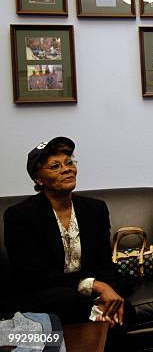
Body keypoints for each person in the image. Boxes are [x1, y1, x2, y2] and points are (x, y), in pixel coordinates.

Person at [3, 137, 134, 351]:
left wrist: (107, 292)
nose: (67, 169)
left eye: (69, 163)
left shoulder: (95, 209)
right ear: (39, 179)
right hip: (45, 295)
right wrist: (95, 286)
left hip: (86, 298)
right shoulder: (20, 216)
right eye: (56, 166)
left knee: (124, 310)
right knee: (69, 301)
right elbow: (33, 276)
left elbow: (104, 265)